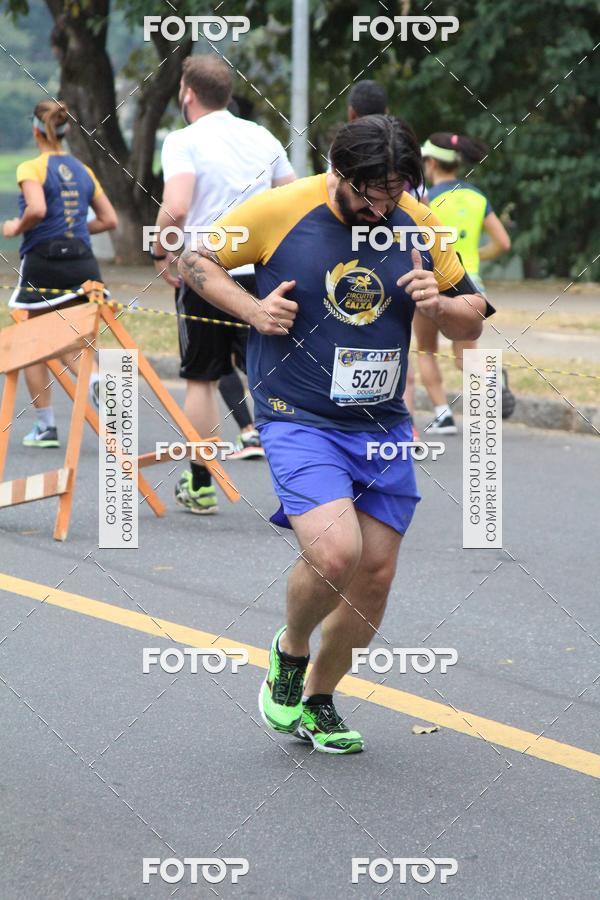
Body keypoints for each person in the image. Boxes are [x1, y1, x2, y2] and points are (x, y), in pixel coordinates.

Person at [179, 115, 495, 753]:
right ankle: (290, 650)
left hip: (381, 424)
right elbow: (193, 260)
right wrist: (253, 310)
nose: (382, 208)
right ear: (338, 173)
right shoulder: (279, 209)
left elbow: (474, 323)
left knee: (375, 575)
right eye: (369, 194)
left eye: (394, 192)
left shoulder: (418, 219)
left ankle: (320, 699)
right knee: (334, 553)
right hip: (299, 416)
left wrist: (439, 305)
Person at [152, 55, 295, 514]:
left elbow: (176, 207)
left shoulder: (183, 140)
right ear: (228, 94)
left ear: (187, 93)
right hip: (263, 272)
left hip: (207, 274)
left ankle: (201, 483)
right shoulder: (262, 136)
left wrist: (161, 252)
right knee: (275, 378)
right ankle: (299, 490)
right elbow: (292, 198)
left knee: (201, 377)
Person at [1, 100, 117, 448]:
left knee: (34, 336)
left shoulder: (30, 168)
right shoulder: (83, 170)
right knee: (76, 337)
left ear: (36, 130)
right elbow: (110, 220)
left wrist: (14, 227)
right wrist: (74, 231)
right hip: (84, 261)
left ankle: (46, 425)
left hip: (44, 261)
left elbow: (37, 208)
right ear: (64, 132)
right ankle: (95, 378)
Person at [415, 132, 512, 433]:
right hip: (469, 284)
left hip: (433, 282)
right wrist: (475, 255)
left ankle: (442, 415)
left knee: (426, 350)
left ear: (430, 163)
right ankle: (492, 379)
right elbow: (504, 243)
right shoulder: (478, 197)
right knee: (465, 358)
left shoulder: (427, 200)